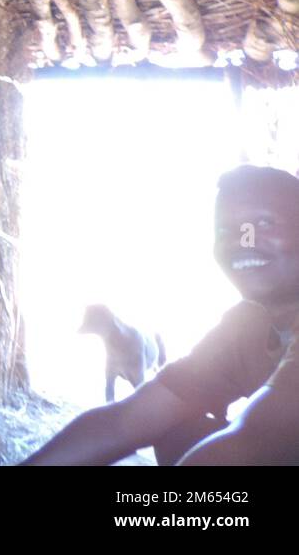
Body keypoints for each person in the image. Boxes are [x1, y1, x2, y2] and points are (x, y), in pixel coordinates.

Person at [23, 165, 299, 466]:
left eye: (264, 222)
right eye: (225, 230)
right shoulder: (244, 327)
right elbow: (125, 422)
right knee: (180, 431)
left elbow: (251, 443)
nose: (241, 241)